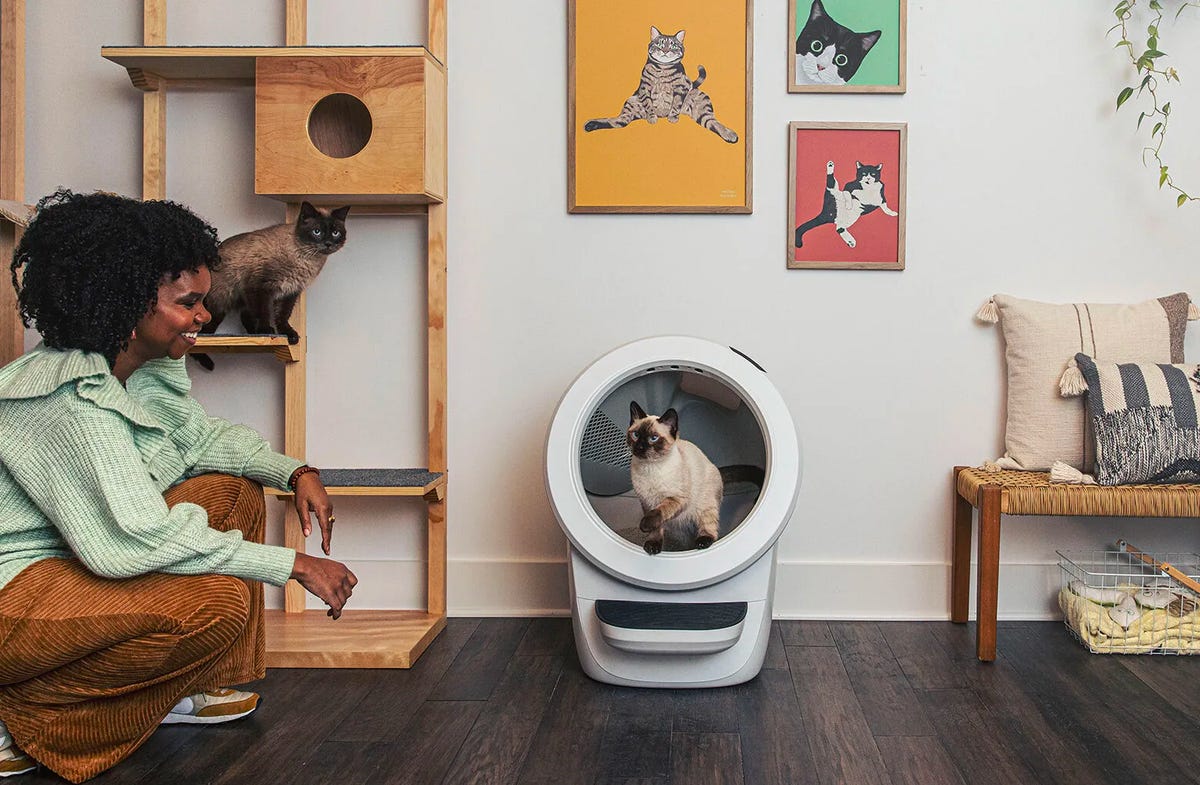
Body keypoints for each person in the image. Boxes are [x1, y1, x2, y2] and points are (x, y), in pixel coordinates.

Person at [0, 189, 358, 782]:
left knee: (233, 488)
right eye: (189, 303)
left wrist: (296, 471)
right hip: (16, 593)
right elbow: (133, 539)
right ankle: (25, 713)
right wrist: (291, 563)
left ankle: (180, 688)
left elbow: (199, 440)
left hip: (68, 568)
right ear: (129, 304)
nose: (203, 314)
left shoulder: (139, 364)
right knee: (212, 604)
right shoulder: (62, 396)